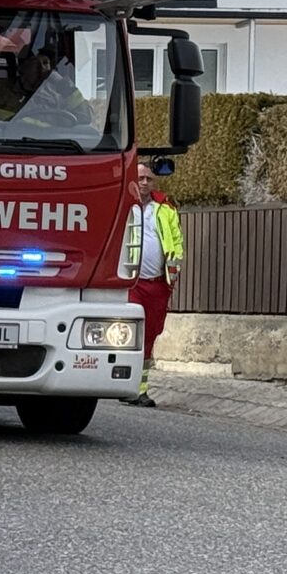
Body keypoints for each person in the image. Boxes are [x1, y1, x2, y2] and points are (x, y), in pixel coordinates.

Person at [124, 159, 184, 406]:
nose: (145, 183)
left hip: (158, 284)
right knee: (127, 334)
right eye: (140, 178)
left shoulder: (165, 209)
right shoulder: (124, 205)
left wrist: (174, 272)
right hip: (131, 283)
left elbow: (176, 242)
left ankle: (140, 389)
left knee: (149, 336)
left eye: (149, 178)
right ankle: (124, 384)